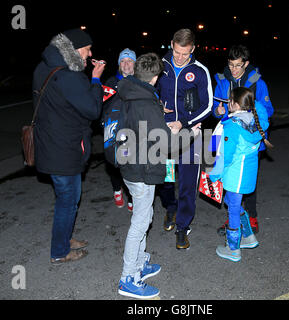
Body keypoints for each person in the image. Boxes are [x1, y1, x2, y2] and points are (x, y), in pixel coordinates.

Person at [116, 52, 201, 298]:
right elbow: (167, 146)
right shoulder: (146, 102)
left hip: (129, 163)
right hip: (142, 167)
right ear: (155, 77)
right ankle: (128, 278)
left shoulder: (131, 90)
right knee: (140, 223)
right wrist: (190, 134)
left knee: (146, 215)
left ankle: (140, 264)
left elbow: (143, 128)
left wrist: (160, 120)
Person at [33, 28, 106, 264]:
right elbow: (93, 110)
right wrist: (95, 79)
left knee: (67, 198)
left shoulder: (45, 66)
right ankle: (59, 251)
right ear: (74, 49)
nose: (90, 53)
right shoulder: (68, 76)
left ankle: (64, 239)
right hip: (64, 149)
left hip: (50, 143)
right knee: (68, 199)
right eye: (87, 49)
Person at [157, 28, 213, 250]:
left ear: (193, 49)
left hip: (191, 134)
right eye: (177, 52)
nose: (180, 58)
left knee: (188, 183)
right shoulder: (161, 65)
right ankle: (171, 208)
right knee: (165, 178)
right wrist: (157, 107)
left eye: (185, 54)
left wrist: (185, 122)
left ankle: (183, 226)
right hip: (162, 132)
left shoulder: (200, 71)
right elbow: (148, 90)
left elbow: (207, 105)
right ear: (171, 44)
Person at [212, 44, 274, 235]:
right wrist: (218, 111)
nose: (234, 69)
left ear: (246, 64)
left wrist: (247, 113)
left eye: (238, 65)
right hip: (227, 137)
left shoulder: (257, 83)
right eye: (231, 65)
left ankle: (251, 217)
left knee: (247, 181)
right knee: (228, 180)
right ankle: (235, 218)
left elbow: (268, 111)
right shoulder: (222, 81)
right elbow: (215, 108)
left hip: (248, 141)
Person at [209, 87, 271, 262]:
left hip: (235, 173)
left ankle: (233, 248)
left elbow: (225, 156)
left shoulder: (233, 126)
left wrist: (214, 175)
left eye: (229, 101)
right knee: (231, 202)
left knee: (233, 208)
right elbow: (259, 108)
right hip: (248, 173)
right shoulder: (256, 120)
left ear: (235, 104)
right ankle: (248, 237)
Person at [104, 48, 136, 212]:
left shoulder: (139, 81)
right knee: (114, 162)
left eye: (129, 61)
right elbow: (103, 104)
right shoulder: (111, 82)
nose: (126, 64)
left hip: (133, 130)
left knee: (131, 163)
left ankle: (131, 196)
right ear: (119, 64)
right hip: (114, 128)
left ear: (135, 64)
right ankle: (117, 189)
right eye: (123, 61)